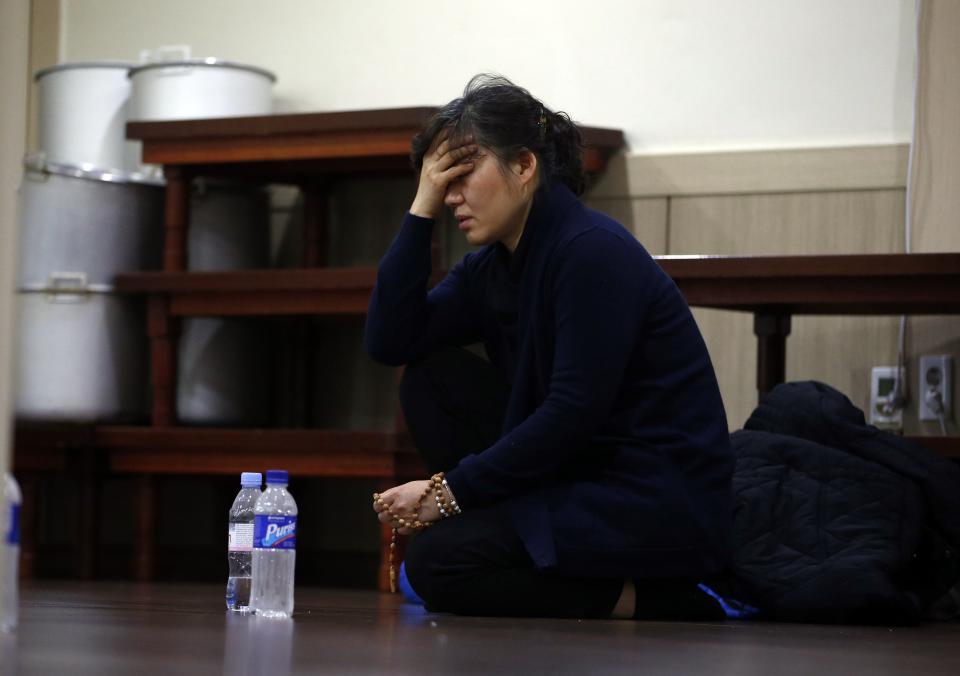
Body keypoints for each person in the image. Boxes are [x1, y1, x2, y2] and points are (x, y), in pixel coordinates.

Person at [367, 75, 733, 620]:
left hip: (647, 495)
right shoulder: (491, 266)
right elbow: (390, 340)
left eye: (463, 173)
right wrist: (420, 209)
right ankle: (521, 538)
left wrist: (449, 494)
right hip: (574, 473)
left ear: (524, 166)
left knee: (440, 564)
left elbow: (573, 412)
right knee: (430, 378)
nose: (452, 196)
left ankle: (659, 601)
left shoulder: (591, 252)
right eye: (442, 181)